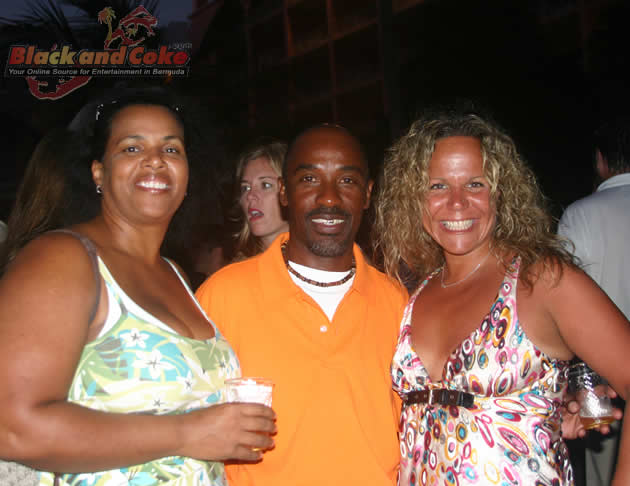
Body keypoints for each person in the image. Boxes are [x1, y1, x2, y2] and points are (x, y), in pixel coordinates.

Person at [0, 89, 276, 485]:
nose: (155, 160)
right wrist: (187, 433)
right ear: (99, 173)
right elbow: (12, 427)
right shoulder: (63, 259)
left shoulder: (174, 274)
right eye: (132, 148)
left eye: (171, 149)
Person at [373, 109, 630, 486]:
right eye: (437, 186)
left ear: (499, 192)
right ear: (414, 198)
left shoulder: (540, 280)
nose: (457, 202)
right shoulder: (413, 294)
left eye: (475, 184)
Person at [195, 124, 408, 486]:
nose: (329, 198)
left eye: (347, 181)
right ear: (284, 191)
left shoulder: (398, 303)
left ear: (368, 194)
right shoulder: (222, 295)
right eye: (309, 179)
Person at [558, 116, 630, 486]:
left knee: (602, 468)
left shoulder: (581, 215)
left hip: (599, 386)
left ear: (601, 161)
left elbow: (559, 307)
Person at [231, 139, 288, 260]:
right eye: (245, 188)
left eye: (266, 185)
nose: (250, 195)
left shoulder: (321, 264)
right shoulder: (238, 270)